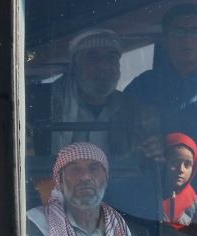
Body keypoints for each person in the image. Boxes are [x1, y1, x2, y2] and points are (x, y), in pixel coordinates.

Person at [124, 4, 197, 197]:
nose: (187, 39)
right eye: (179, 32)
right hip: (152, 191)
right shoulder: (143, 85)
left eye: (195, 32)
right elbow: (123, 140)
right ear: (165, 41)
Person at [26, 142, 160, 236]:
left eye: (93, 168)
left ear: (105, 179)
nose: (84, 177)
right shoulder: (35, 231)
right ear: (61, 181)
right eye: (75, 169)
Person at [33, 28, 163, 161]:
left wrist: (152, 157)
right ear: (76, 65)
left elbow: (152, 167)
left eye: (111, 58)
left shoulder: (143, 116)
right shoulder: (42, 108)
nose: (104, 66)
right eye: (94, 58)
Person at [163, 133, 197, 228]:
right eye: (174, 162)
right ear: (163, 161)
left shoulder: (195, 203)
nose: (181, 170)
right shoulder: (151, 194)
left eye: (187, 165)